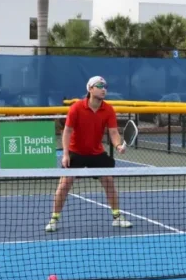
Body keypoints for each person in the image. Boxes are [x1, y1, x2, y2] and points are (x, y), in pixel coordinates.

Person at [45, 76, 133, 232]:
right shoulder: (76, 108)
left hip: (96, 153)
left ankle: (117, 216)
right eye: (100, 86)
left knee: (108, 181)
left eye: (105, 86)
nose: (104, 89)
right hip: (76, 152)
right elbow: (67, 132)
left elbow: (113, 132)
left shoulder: (108, 109)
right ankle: (54, 219)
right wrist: (65, 154)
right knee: (65, 184)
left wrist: (118, 145)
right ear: (90, 89)